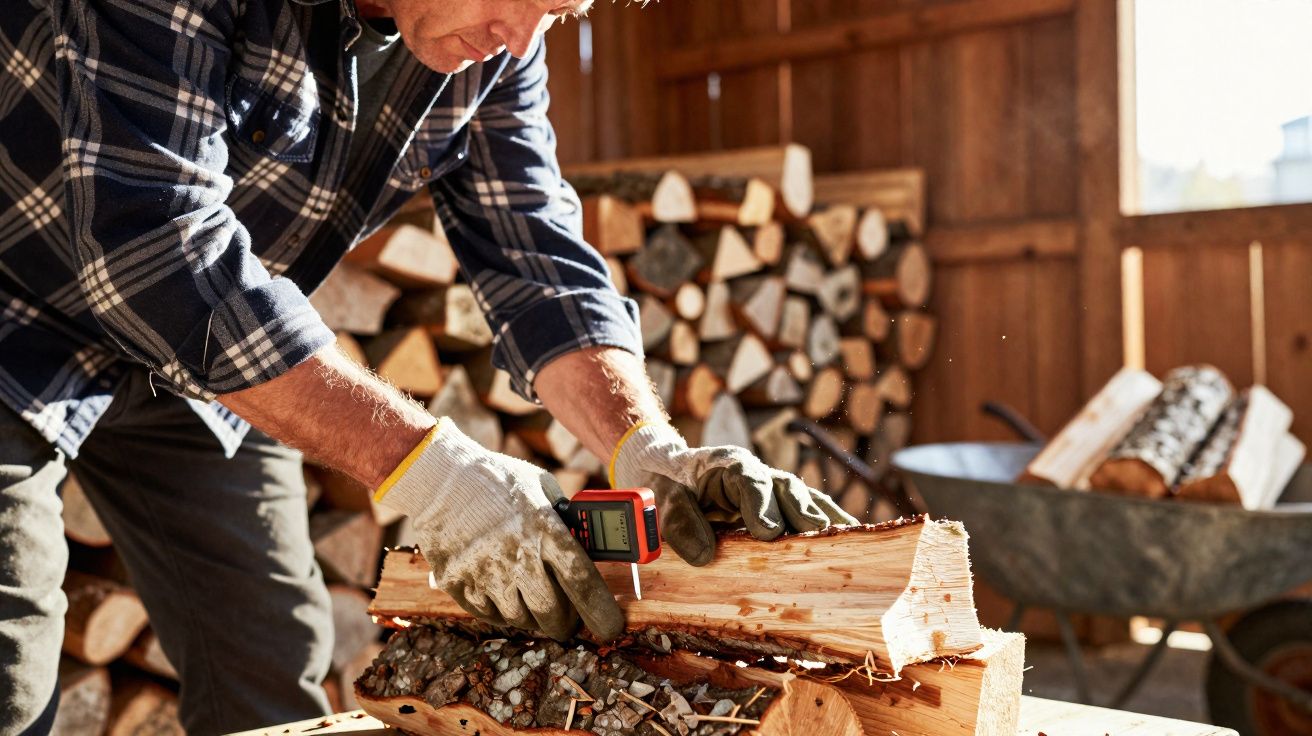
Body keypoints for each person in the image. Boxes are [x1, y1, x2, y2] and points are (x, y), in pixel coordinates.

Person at [0, 0, 856, 733]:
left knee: (271, 670)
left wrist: (646, 446)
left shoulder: (492, 45)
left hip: (206, 368)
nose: (521, 37)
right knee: (11, 677)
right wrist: (430, 472)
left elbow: (537, 259)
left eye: (560, 13)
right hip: (19, 322)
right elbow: (155, 240)